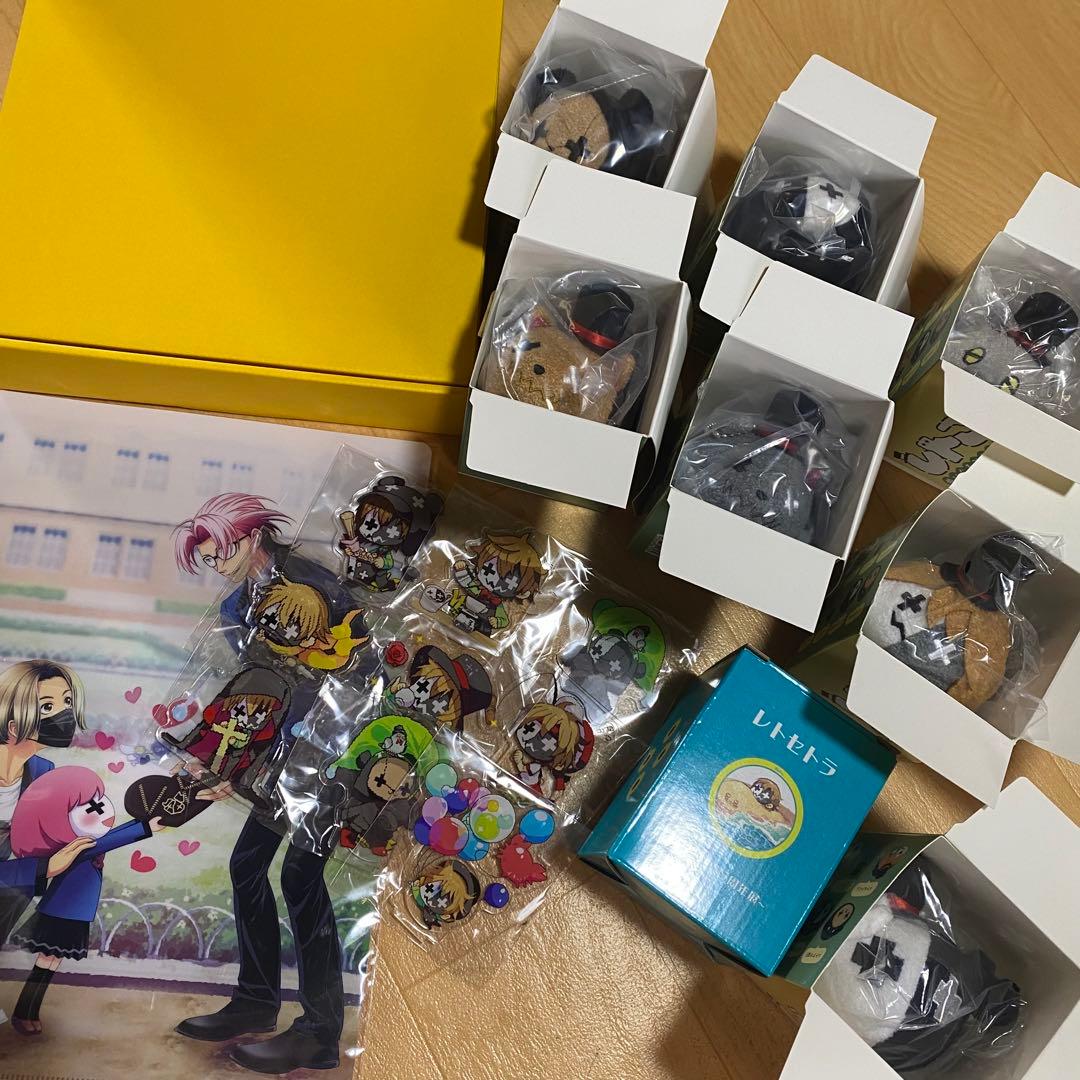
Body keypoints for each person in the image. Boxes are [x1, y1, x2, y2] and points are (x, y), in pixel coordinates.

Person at [173, 493, 367, 1073]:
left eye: (219, 552)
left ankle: (320, 1031)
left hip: (331, 753)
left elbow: (362, 662)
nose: (216, 565)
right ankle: (257, 1000)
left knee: (300, 874)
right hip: (278, 756)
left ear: (250, 535)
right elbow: (253, 684)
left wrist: (332, 736)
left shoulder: (313, 583)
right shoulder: (240, 603)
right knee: (248, 866)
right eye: (207, 559)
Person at [7, 766, 162, 1035]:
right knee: (47, 960)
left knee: (52, 961)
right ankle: (23, 1013)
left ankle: (28, 1012)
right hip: (62, 911)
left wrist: (144, 824)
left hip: (75, 912)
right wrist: (145, 827)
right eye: (90, 806)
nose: (102, 810)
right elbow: (108, 842)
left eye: (99, 801)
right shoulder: (77, 846)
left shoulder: (84, 843)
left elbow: (107, 838)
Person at [0, 661, 94, 948]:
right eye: (47, 707)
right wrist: (44, 868)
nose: (65, 715)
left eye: (68, 702)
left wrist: (147, 823)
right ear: (13, 724)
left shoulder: (43, 772)